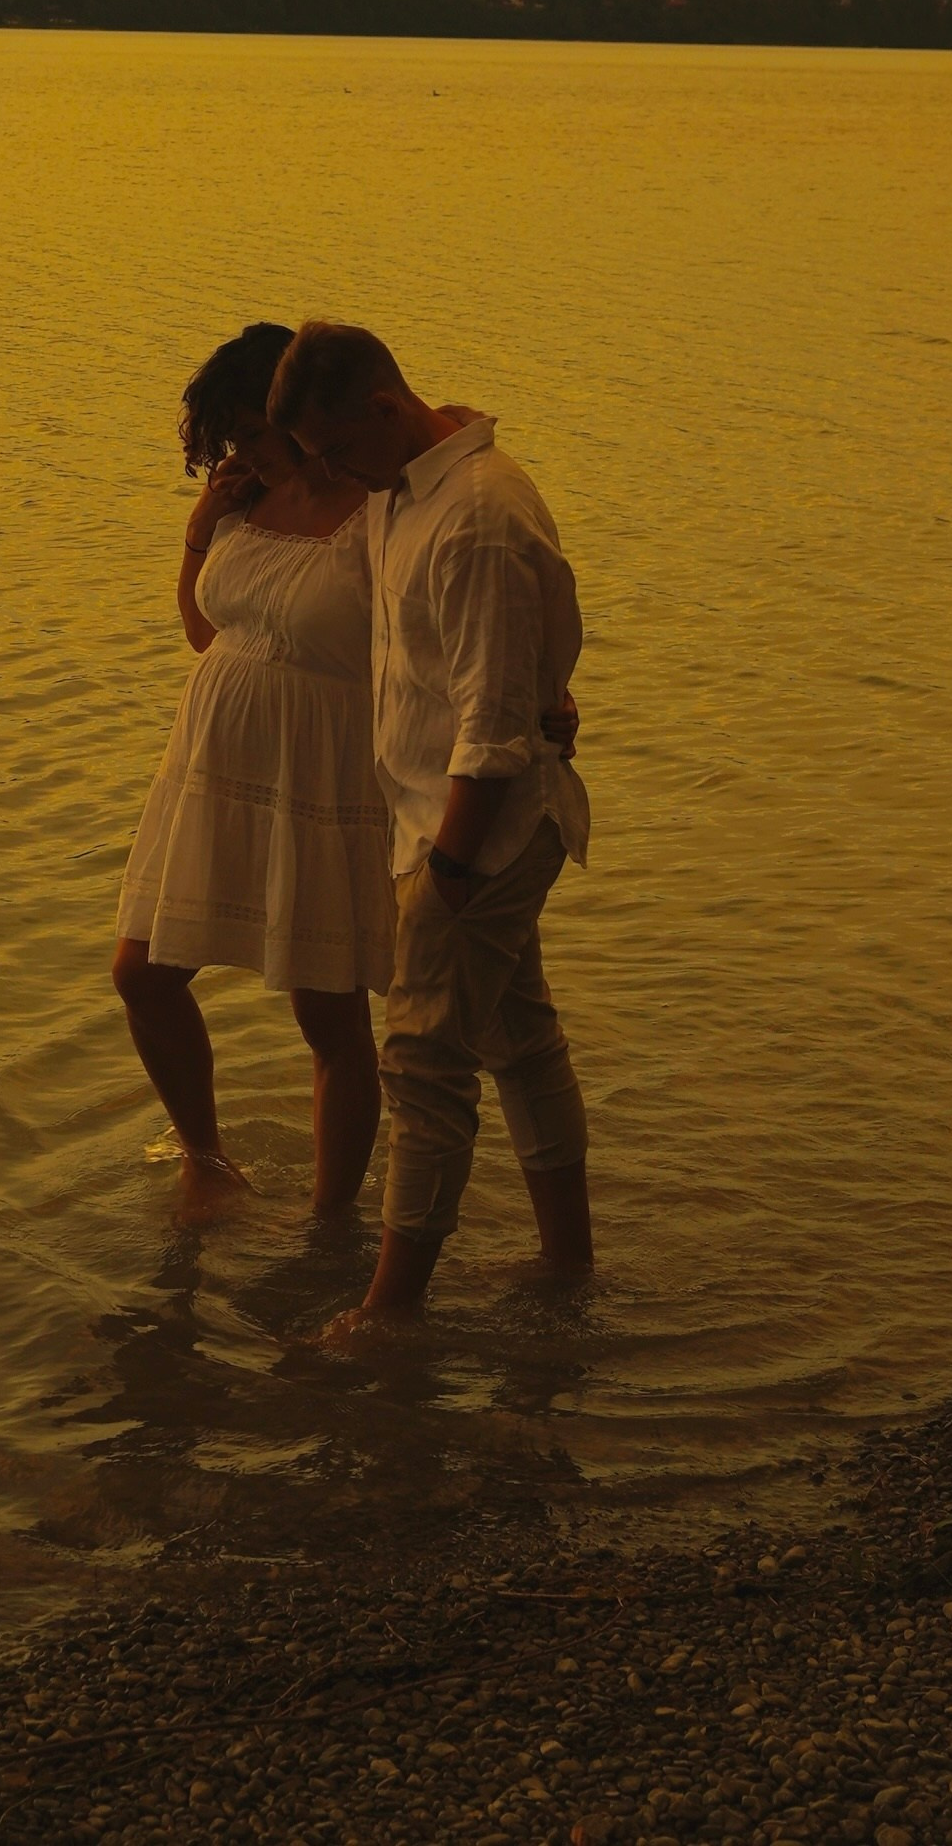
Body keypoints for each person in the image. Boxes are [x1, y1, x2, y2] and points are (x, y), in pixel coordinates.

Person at [266, 320, 592, 1327]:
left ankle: (387, 1313)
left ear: (383, 406)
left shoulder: (477, 515)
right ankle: (567, 1268)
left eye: (336, 452)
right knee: (517, 1039)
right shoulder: (402, 490)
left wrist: (448, 873)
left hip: (475, 834)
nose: (334, 476)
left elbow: (493, 729)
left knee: (420, 1063)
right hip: (432, 820)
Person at [112, 323, 393, 1220]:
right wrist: (200, 531)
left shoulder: (376, 511)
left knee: (329, 1013)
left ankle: (331, 1219)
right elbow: (210, 635)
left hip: (321, 775)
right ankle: (207, 1160)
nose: (243, 457)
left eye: (256, 436)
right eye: (229, 442)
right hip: (213, 767)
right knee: (142, 974)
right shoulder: (239, 502)